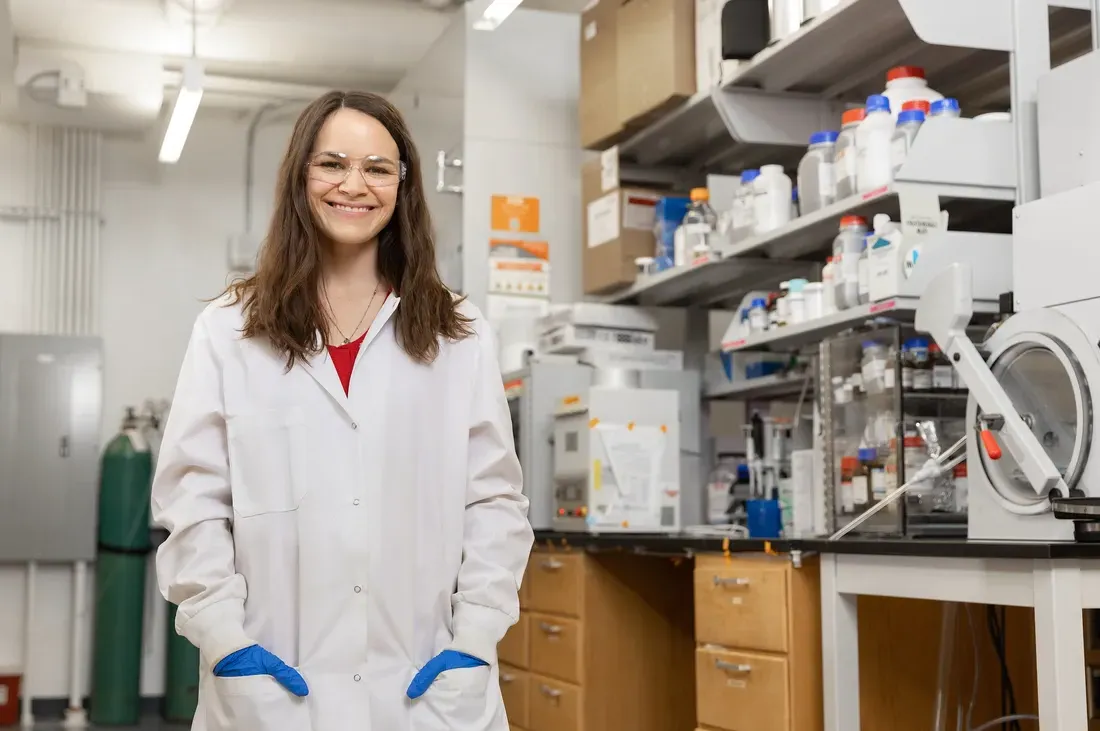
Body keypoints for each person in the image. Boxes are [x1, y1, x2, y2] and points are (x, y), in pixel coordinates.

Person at [151, 90, 534, 731]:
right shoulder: (228, 329)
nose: (354, 185)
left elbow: (493, 502)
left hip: (426, 683)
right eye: (332, 164)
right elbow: (193, 501)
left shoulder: (459, 332)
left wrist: (474, 639)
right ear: (302, 175)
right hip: (271, 683)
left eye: (378, 168)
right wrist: (225, 640)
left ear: (402, 185)